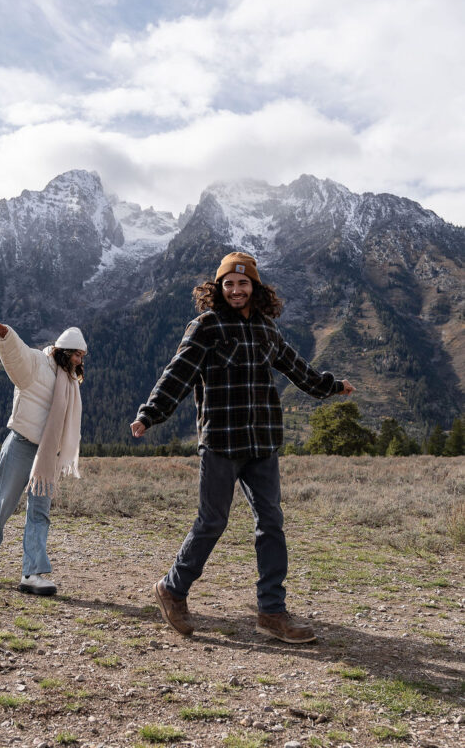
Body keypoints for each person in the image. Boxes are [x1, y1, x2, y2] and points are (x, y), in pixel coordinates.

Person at [130, 251, 355, 643]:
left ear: (255, 287)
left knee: (271, 522)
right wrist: (150, 414)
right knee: (212, 521)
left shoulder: (268, 330)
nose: (236, 289)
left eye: (243, 282)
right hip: (221, 441)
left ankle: (271, 612)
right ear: (218, 289)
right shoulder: (206, 326)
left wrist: (332, 386)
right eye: (228, 284)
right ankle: (172, 588)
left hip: (263, 441)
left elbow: (299, 370)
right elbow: (178, 374)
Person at [0, 322, 87, 595]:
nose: (80, 360)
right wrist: (6, 336)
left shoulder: (68, 381)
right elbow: (16, 355)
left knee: (39, 513)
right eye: (77, 354)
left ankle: (32, 573)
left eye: (82, 356)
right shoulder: (37, 364)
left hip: (46, 454)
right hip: (21, 444)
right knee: (1, 505)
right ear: (64, 351)